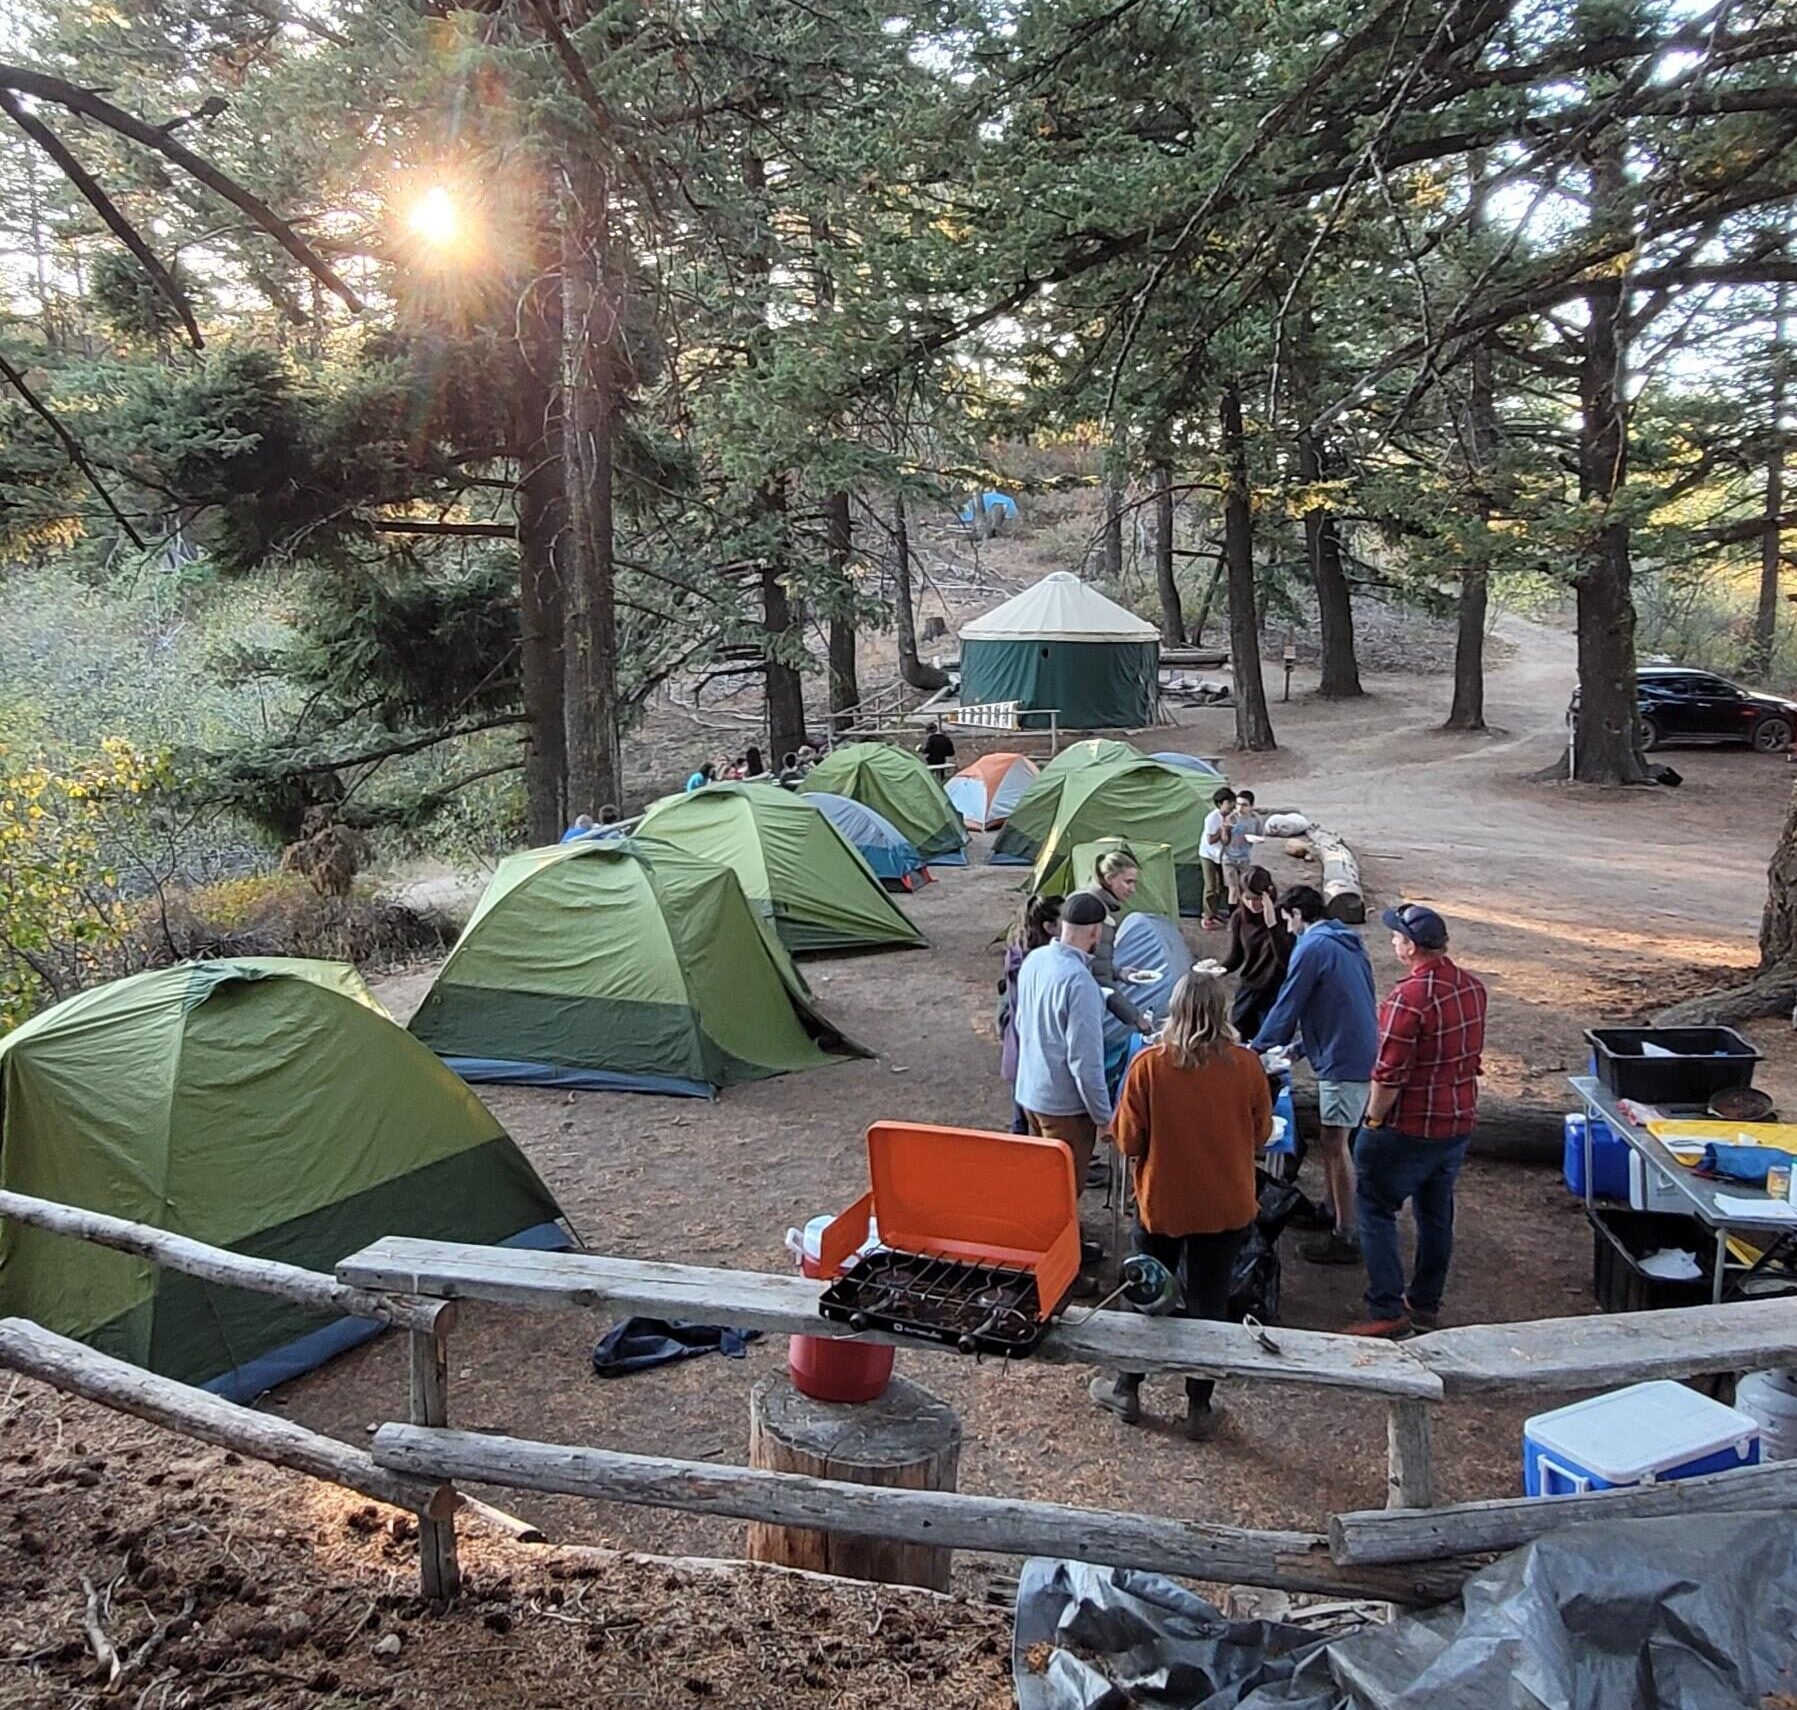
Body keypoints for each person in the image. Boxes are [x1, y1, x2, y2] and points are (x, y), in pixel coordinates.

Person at [1090, 973, 1271, 1440]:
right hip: (1225, 1205)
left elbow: (1128, 1141)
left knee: (1146, 1296)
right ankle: (1199, 1406)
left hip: (1163, 1204)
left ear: (1175, 1008)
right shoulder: (1247, 1065)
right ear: (1222, 1012)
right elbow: (1261, 1134)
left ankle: (1127, 1388)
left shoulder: (1149, 1066)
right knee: (1210, 1305)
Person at [1348, 905, 1488, 1339]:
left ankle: (1386, 1308)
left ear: (1410, 947)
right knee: (1435, 1212)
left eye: (1395, 936)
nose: (1391, 941)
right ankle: (1425, 1301)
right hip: (1458, 1120)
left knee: (1374, 1207)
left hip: (1410, 1125)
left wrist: (1372, 1121)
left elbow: (1388, 1073)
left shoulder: (1407, 999)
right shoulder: (1473, 987)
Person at [1249, 884, 1377, 1267]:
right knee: (1337, 1140)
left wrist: (1255, 1050)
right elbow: (1340, 1003)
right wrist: (1303, 1046)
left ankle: (1346, 1235)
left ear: (1297, 914)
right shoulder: (1346, 941)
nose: (1288, 930)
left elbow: (1290, 1002)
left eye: (1288, 921)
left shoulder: (1313, 946)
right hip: (1355, 1046)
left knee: (1335, 1144)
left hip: (1344, 1059)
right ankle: (1333, 1207)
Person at [1013, 890, 1114, 1291]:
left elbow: (1021, 1024)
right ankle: (1058, 1275)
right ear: (1093, 933)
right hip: (1064, 1107)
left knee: (1045, 1185)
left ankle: (1065, 1248)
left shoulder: (1036, 960)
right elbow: (1084, 1062)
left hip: (1031, 1091)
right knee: (1061, 1194)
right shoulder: (1080, 982)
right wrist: (1103, 1117)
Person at [998, 893, 1063, 1135]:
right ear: (1049, 927)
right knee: (1024, 1112)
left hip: (1018, 1040)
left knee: (1024, 1106)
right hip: (1024, 1042)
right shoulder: (1035, 961)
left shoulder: (1020, 950)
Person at [1077, 850, 1150, 1035]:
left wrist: (1119, 972)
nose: (1133, 889)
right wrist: (1135, 1018)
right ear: (1109, 879)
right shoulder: (1097, 914)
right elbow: (1099, 978)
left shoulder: (1088, 898)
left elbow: (1093, 962)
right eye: (1128, 882)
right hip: (1078, 1002)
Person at [1221, 867, 1291, 1040]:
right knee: (1239, 1038)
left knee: (1271, 1042)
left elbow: (1286, 960)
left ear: (1269, 894)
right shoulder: (1239, 917)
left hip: (1275, 992)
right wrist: (1218, 969)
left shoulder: (1284, 917)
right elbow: (1236, 957)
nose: (1253, 905)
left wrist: (1272, 924)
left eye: (1258, 899)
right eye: (1248, 899)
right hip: (1249, 989)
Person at [1199, 787, 1237, 928]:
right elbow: (1210, 840)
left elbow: (1227, 841)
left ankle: (1215, 913)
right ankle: (1207, 917)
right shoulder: (1212, 818)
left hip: (1221, 855)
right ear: (1221, 804)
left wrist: (1228, 830)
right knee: (1210, 886)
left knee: (1221, 886)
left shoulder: (1232, 817)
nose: (1232, 805)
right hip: (1208, 854)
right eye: (1229, 802)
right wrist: (1222, 829)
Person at [1222, 789, 1261, 906]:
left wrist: (1254, 839)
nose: (1240, 808)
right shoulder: (1231, 818)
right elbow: (1224, 841)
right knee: (1233, 889)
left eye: (1244, 805)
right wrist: (1225, 829)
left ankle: (1244, 914)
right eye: (1238, 804)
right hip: (1229, 858)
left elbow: (1259, 836)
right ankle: (1232, 917)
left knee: (1246, 888)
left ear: (1251, 806)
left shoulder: (1255, 820)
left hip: (1246, 858)